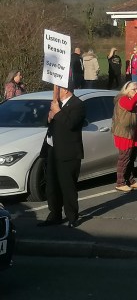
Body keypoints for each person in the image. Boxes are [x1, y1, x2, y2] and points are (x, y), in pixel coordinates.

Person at [36, 84, 87, 228]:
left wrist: (57, 112)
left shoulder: (78, 104)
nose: (56, 92)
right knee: (51, 186)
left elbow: (71, 124)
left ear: (65, 90)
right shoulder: (55, 104)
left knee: (67, 186)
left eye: (58, 89)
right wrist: (49, 116)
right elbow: (47, 123)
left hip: (68, 151)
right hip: (52, 149)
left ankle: (72, 217)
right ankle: (54, 214)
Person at [111, 81, 137, 192]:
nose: (136, 91)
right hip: (124, 133)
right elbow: (129, 107)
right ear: (127, 90)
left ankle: (130, 179)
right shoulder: (123, 99)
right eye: (133, 89)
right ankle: (120, 182)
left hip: (132, 132)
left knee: (131, 157)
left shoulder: (134, 100)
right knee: (124, 158)